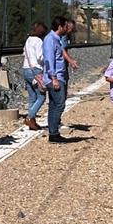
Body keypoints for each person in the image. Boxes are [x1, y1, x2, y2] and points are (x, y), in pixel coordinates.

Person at [42, 15, 69, 143]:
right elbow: (48, 59)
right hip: (55, 78)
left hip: (58, 76)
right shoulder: (50, 40)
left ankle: (53, 133)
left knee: (54, 105)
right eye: (65, 26)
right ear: (60, 27)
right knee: (59, 104)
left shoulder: (56, 39)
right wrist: (54, 78)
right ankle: (53, 133)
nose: (67, 28)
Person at [20, 21, 47, 130]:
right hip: (35, 70)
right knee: (42, 96)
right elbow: (40, 57)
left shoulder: (28, 40)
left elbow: (24, 54)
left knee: (32, 97)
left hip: (26, 69)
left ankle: (32, 122)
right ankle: (29, 117)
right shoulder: (39, 41)